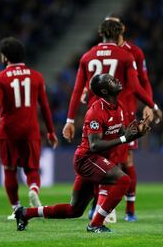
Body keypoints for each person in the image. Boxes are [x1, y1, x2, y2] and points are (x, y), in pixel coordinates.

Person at [15, 74, 151, 233]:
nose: (117, 79)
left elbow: (120, 134)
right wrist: (123, 138)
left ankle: (25, 213)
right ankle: (96, 224)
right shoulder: (95, 112)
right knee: (124, 181)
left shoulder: (118, 107)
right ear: (105, 91)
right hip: (87, 159)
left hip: (96, 160)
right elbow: (94, 145)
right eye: (111, 80)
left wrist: (136, 133)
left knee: (74, 210)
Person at [62, 19, 163, 222]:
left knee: (98, 157)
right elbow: (137, 86)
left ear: (101, 33)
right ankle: (117, 209)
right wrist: (153, 106)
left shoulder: (87, 56)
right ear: (120, 33)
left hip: (96, 113)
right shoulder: (126, 54)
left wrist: (70, 119)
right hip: (123, 112)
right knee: (122, 162)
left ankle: (97, 206)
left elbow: (76, 90)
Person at [0, 37, 58, 220]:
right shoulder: (36, 76)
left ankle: (16, 208)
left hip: (9, 130)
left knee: (9, 169)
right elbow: (45, 106)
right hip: (31, 129)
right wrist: (50, 131)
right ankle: (34, 189)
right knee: (32, 168)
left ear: (4, 57)